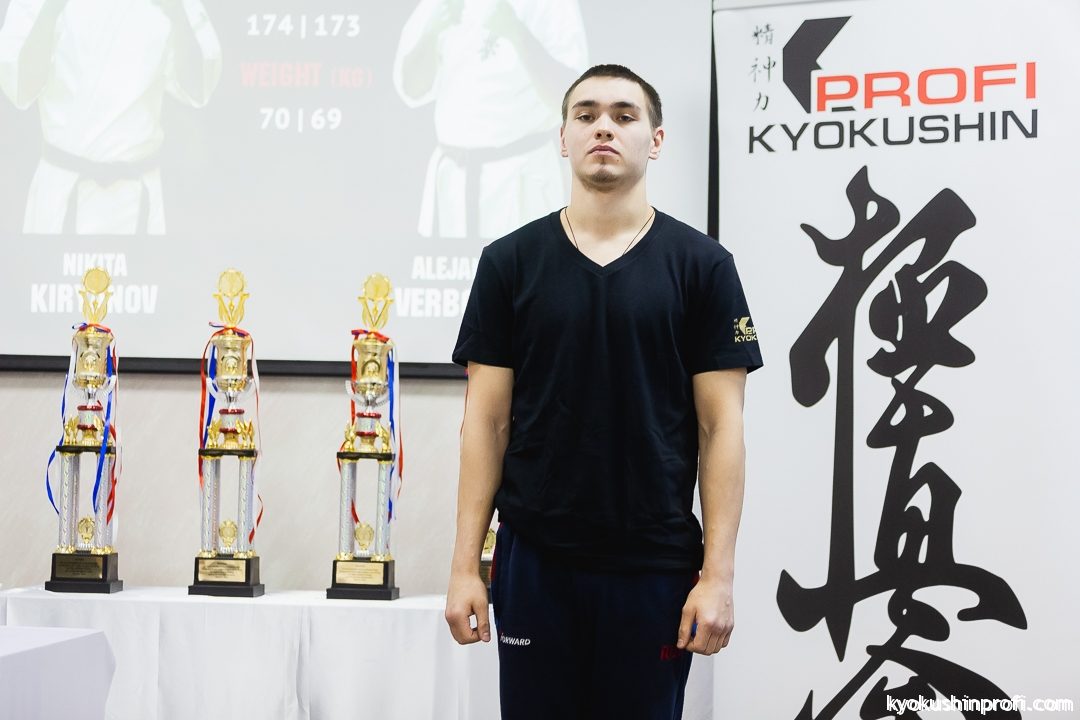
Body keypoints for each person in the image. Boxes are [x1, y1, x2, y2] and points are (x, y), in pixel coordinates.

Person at [446, 64, 764, 719]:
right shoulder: (509, 263)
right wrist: (463, 567)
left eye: (624, 115)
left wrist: (718, 576)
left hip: (653, 566)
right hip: (535, 562)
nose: (603, 129)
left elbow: (721, 428)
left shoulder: (703, 266)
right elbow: (486, 423)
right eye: (586, 115)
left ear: (656, 139)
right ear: (563, 138)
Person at [0, 0, 221, 235]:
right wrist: (50, 9)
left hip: (138, 196)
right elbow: (20, 88)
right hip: (62, 192)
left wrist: (177, 12)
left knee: (146, 262)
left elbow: (199, 89)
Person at [392, 0, 587, 241]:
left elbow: (571, 99)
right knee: (449, 265)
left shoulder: (552, 6)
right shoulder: (438, 5)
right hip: (453, 184)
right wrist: (432, 33)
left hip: (519, 181)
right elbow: (411, 89)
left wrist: (516, 32)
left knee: (526, 264)